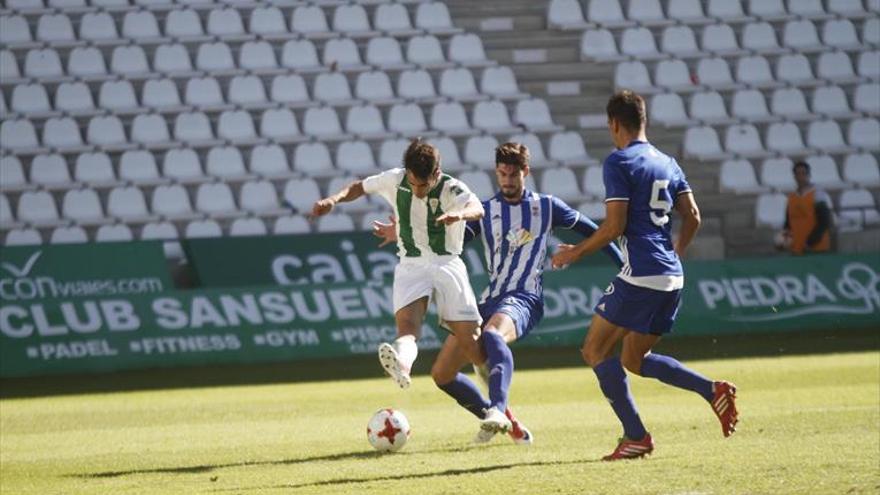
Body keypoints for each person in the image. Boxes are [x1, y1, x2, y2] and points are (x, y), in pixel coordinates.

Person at [374, 142, 624, 445]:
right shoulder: (485, 210)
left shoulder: (547, 207)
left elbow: (597, 230)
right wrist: (402, 233)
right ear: (496, 173)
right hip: (490, 299)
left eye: (513, 174)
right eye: (502, 174)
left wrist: (621, 265)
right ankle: (504, 422)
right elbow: (446, 242)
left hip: (525, 298)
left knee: (492, 336)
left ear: (525, 172)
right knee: (442, 374)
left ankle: (497, 408)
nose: (507, 180)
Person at [550, 90, 739, 461]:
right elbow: (694, 216)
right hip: (671, 275)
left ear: (614, 124)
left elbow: (613, 225)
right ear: (644, 121)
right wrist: (676, 254)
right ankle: (711, 390)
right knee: (634, 359)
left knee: (594, 349)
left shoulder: (618, 162)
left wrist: (574, 252)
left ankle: (636, 436)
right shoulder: (668, 162)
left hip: (641, 274)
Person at [311, 139, 485, 390]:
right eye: (413, 183)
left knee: (470, 342)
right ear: (407, 173)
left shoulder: (452, 187)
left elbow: (476, 207)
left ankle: (499, 405)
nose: (417, 191)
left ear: (436, 173)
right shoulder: (394, 179)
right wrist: (333, 200)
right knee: (408, 328)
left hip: (446, 263)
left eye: (423, 185)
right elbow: (360, 187)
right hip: (411, 265)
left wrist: (459, 214)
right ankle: (403, 365)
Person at [779, 161, 833, 255]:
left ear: (809, 175)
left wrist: (810, 242)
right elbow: (788, 223)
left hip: (816, 248)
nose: (801, 177)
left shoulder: (817, 194)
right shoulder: (791, 197)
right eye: (798, 174)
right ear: (794, 177)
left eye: (804, 173)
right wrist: (783, 240)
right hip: (797, 248)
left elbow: (824, 221)